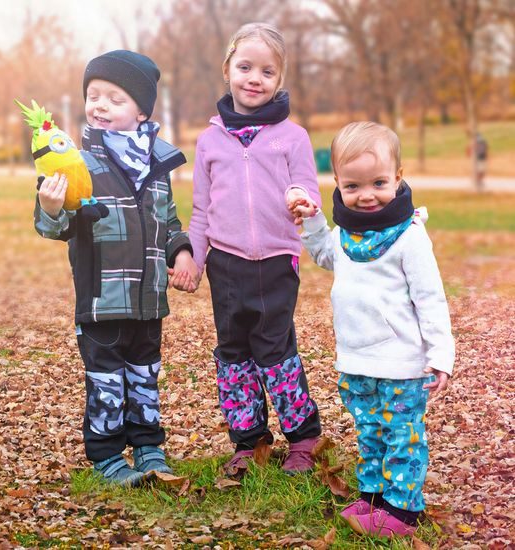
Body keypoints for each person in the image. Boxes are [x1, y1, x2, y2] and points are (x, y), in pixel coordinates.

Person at [34, 50, 199, 487]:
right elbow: (57, 226)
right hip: (101, 301)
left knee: (144, 377)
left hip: (148, 301)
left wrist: (180, 253)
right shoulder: (77, 164)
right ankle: (107, 457)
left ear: (142, 110)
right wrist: (50, 207)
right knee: (107, 381)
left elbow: (169, 222)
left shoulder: (158, 166)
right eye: (93, 96)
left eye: (114, 98)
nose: (100, 105)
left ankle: (149, 448)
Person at [286, 121, 455, 537]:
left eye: (378, 182)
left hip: (401, 363)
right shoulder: (347, 233)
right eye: (353, 186)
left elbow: (430, 298)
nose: (366, 195)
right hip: (357, 358)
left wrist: (440, 356)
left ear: (398, 179)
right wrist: (311, 222)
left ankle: (403, 510)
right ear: (339, 185)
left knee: (401, 436)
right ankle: (375, 496)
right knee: (370, 430)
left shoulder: (409, 237)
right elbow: (327, 255)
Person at [189, 23, 322, 476]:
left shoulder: (292, 136)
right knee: (233, 351)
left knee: (273, 348)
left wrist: (302, 198)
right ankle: (249, 440)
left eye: (267, 71)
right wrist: (195, 257)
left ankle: (304, 436)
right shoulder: (209, 141)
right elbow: (201, 211)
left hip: (275, 262)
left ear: (279, 80)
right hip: (226, 265)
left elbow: (307, 183)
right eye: (245, 67)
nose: (254, 78)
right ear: (227, 69)